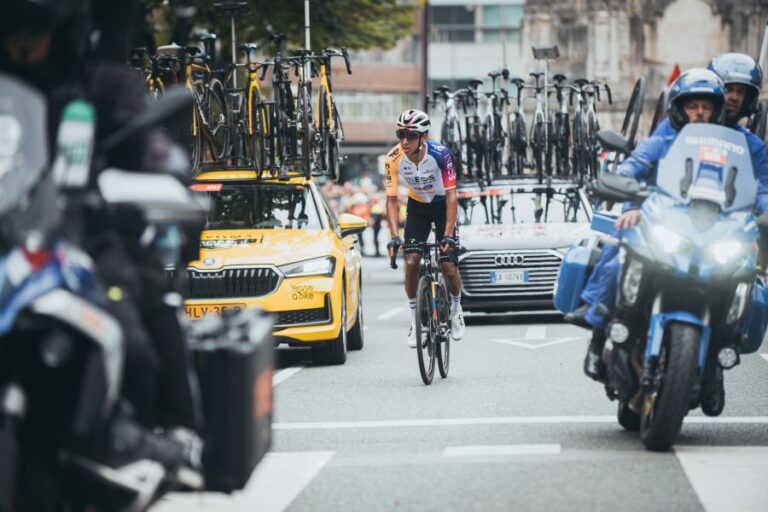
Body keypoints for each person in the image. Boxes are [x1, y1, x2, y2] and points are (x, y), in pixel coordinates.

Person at [0, 0, 202, 474]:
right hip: (9, 241)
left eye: (36, 29)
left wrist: (162, 167)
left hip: (82, 235)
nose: (24, 41)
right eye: (13, 29)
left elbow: (159, 153)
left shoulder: (102, 87)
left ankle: (169, 430)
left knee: (132, 329)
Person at [566, 69, 732, 379]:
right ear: (679, 108)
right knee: (620, 254)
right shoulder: (665, 136)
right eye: (692, 106)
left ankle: (721, 354)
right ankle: (599, 329)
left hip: (711, 229)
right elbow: (633, 167)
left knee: (738, 273)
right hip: (656, 215)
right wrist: (634, 200)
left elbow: (754, 186)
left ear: (716, 110)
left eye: (706, 107)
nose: (699, 113)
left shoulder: (729, 145)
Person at [385, 109, 465, 347]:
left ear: (423, 136)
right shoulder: (393, 158)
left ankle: (456, 309)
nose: (404, 141)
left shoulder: (442, 154)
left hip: (442, 207)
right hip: (417, 207)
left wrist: (448, 234)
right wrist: (393, 236)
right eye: (401, 134)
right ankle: (415, 322)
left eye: (410, 135)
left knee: (448, 266)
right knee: (411, 262)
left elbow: (452, 196)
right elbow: (391, 200)